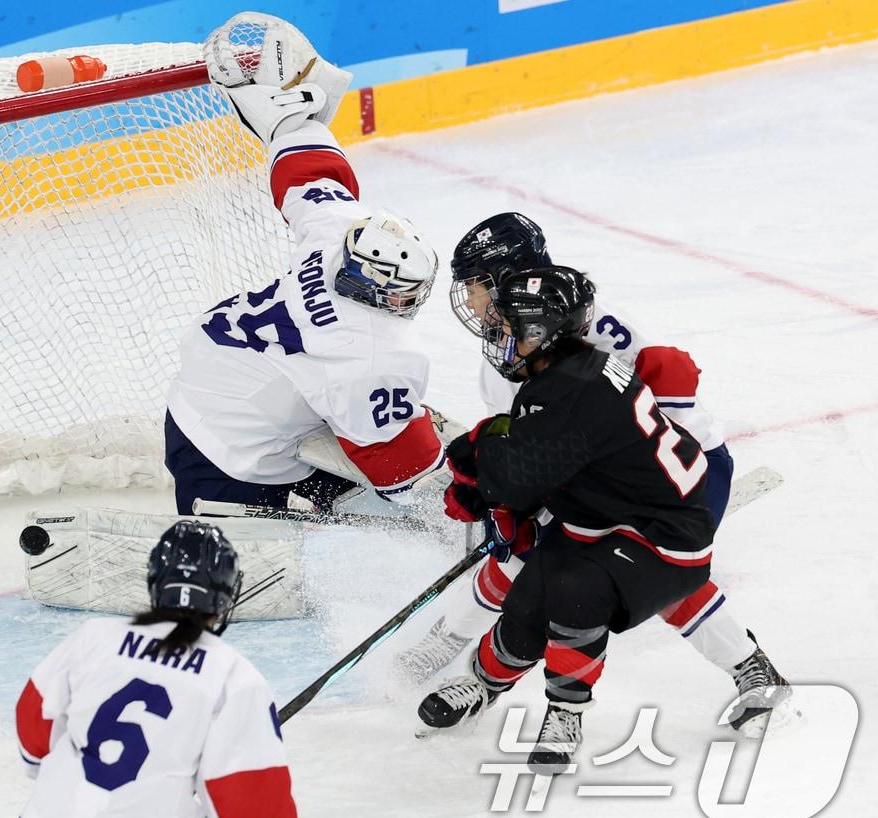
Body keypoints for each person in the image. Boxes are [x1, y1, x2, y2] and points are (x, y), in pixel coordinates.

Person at [398, 212, 788, 735]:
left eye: (474, 285)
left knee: (648, 569)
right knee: (533, 555)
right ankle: (461, 657)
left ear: (507, 278)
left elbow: (666, 381)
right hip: (596, 473)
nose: (468, 301)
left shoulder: (578, 326)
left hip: (671, 473)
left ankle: (750, 667)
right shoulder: (522, 331)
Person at [415, 266, 718, 773]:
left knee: (576, 590)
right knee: (531, 593)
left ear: (542, 333)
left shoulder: (567, 390)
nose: (498, 336)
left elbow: (518, 480)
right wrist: (489, 461)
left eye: (509, 327)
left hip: (664, 538)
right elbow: (540, 447)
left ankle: (565, 712)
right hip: (606, 518)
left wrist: (482, 481)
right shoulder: (576, 370)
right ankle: (483, 684)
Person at [164, 13, 445, 517]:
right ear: (374, 291)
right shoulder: (370, 351)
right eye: (399, 293)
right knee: (252, 554)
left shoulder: (342, 233)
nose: (405, 302)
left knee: (353, 436)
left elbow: (308, 174)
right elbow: (404, 477)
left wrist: (288, 120)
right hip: (224, 438)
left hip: (226, 360)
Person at [11, 521, 297, 818]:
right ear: (225, 595)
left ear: (156, 581)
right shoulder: (235, 678)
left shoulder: (94, 637)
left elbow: (33, 731)